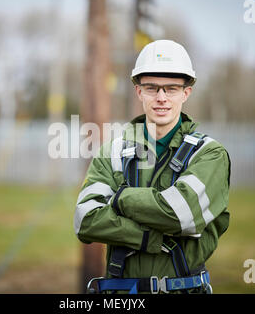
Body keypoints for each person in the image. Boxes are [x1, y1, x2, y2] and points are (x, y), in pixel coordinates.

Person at [74, 40, 231, 294]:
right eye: (151, 88)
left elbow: (180, 215)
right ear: (138, 92)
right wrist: (149, 238)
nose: (161, 98)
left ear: (186, 93)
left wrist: (120, 199)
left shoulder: (209, 154)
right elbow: (85, 220)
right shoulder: (112, 151)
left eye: (171, 88)